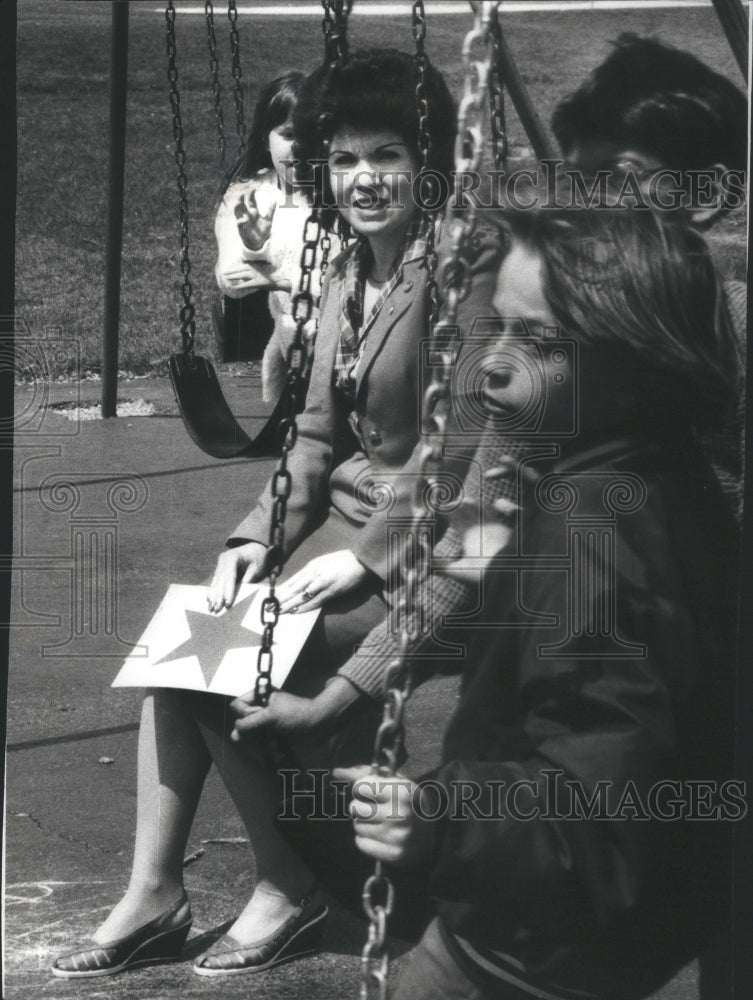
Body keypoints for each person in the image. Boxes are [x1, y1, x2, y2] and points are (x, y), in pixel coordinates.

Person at [51, 47, 493, 980]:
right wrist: (254, 538)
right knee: (189, 641)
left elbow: (467, 446)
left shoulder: (466, 265)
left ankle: (286, 885)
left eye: (387, 157)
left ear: (428, 162)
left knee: (228, 660)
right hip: (341, 525)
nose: (364, 180)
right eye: (344, 159)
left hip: (445, 540)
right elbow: (313, 437)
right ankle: (156, 890)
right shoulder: (344, 268)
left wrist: (372, 556)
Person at [326, 206, 740, 999]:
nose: (493, 366)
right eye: (499, 328)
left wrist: (439, 816)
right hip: (572, 934)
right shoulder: (643, 475)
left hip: (526, 955)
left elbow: (600, 799)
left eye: (540, 341)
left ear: (641, 362)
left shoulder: (593, 534)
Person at [552, 33, 747, 521]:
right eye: (575, 181)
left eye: (615, 178)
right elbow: (502, 446)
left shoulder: (734, 326)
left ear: (704, 197)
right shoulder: (556, 305)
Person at [214, 71, 330, 401]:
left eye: (313, 136)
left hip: (343, 337)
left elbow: (346, 276)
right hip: (287, 336)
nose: (302, 147)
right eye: (290, 134)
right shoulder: (253, 194)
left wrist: (272, 275)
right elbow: (231, 279)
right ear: (267, 139)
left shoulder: (338, 193)